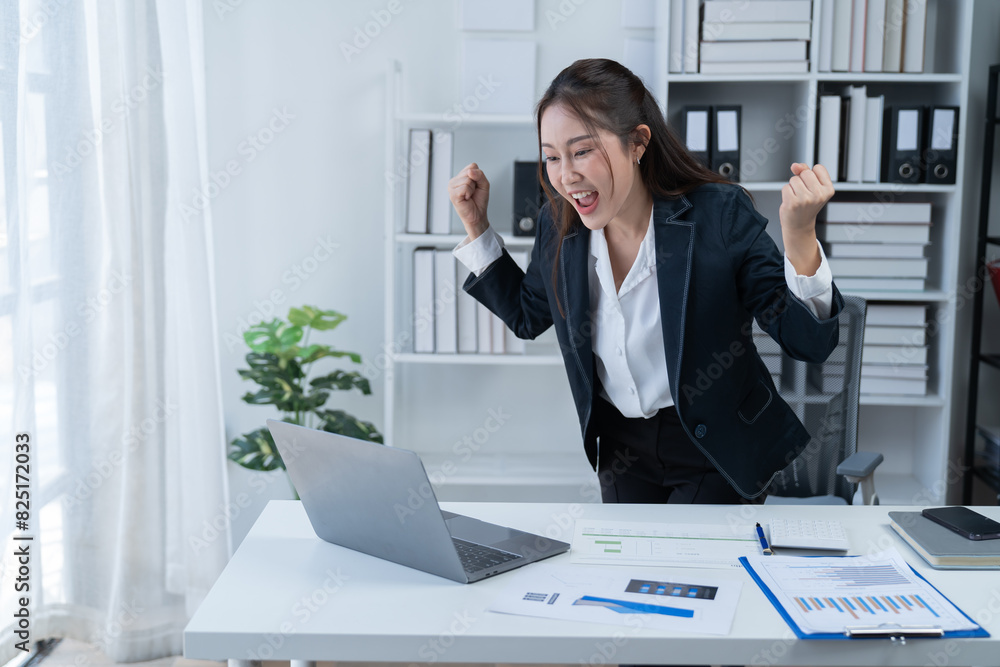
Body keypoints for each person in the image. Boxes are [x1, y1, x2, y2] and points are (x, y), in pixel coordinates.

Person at [447, 58, 842, 505]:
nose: (565, 176)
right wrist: (477, 228)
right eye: (552, 157)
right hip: (621, 448)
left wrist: (800, 234)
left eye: (582, 151)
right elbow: (528, 315)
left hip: (714, 445)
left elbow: (808, 342)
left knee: (693, 570)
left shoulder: (719, 214)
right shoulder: (558, 224)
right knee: (627, 570)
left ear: (637, 143)